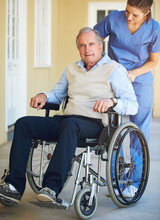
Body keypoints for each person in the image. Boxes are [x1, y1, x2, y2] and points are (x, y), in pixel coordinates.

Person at [0, 27, 138, 206]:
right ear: (78, 48)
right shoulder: (71, 69)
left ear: (100, 45)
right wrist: (44, 96)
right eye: (82, 45)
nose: (87, 49)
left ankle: (51, 187)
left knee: (71, 124)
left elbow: (133, 105)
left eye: (90, 44)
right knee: (23, 124)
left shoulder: (114, 70)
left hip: (96, 124)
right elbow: (57, 95)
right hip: (67, 121)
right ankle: (14, 185)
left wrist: (112, 101)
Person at [94, 0, 160, 144]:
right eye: (127, 11)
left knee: (140, 127)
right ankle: (114, 166)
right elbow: (94, 41)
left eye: (135, 15)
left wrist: (134, 73)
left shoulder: (155, 29)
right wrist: (101, 66)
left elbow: (154, 61)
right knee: (111, 126)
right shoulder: (113, 18)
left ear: (146, 13)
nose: (129, 17)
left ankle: (137, 168)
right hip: (113, 76)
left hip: (140, 79)